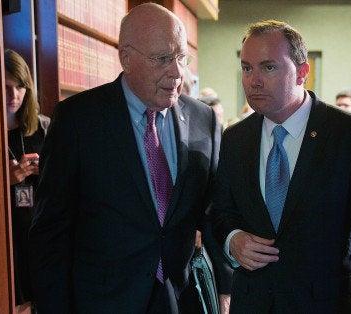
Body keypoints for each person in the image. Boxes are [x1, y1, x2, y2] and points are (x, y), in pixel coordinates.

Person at [29, 3, 232, 313]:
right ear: (125, 57)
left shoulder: (203, 119)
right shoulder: (78, 120)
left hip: (180, 299)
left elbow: (212, 211)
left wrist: (229, 284)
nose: (177, 72)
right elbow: (51, 231)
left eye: (181, 57)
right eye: (163, 59)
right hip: (103, 301)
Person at [211, 20, 351, 313]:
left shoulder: (348, 134)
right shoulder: (235, 137)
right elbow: (221, 211)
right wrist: (233, 240)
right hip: (253, 302)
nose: (253, 80)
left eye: (268, 67)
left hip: (325, 303)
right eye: (247, 67)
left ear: (303, 72)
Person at [4, 48, 50, 312]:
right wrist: (5, 182)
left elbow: (69, 183)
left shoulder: (44, 127)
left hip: (41, 234)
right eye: (7, 87)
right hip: (8, 239)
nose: (14, 96)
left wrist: (49, 170)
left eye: (20, 87)